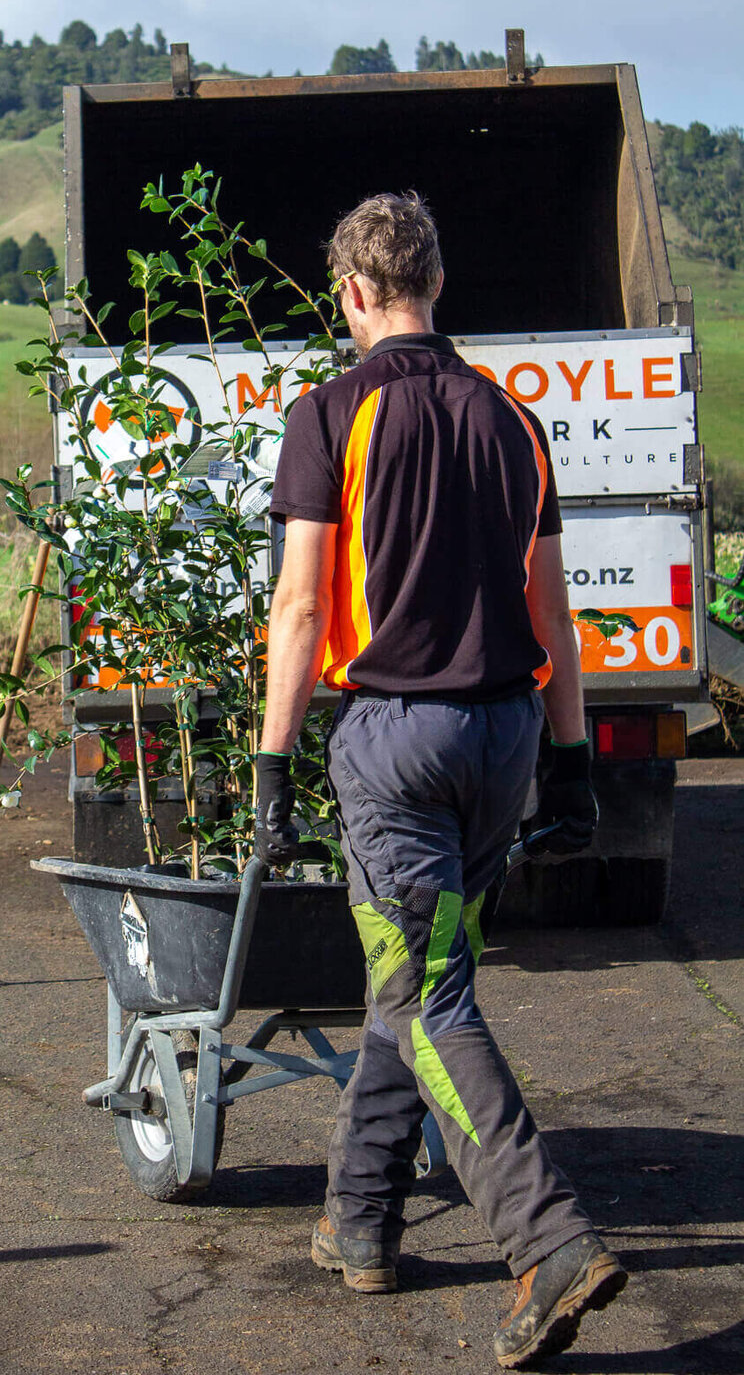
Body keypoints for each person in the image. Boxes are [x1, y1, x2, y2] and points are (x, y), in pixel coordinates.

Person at [253, 191, 627, 1370]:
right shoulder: (515, 421)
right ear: (436, 285)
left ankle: (548, 1242)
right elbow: (554, 616)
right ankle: (359, 1220)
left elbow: (305, 605)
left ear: (353, 294)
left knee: (425, 999)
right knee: (412, 976)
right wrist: (568, 762)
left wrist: (271, 760)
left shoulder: (330, 416)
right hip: (502, 743)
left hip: (396, 752)